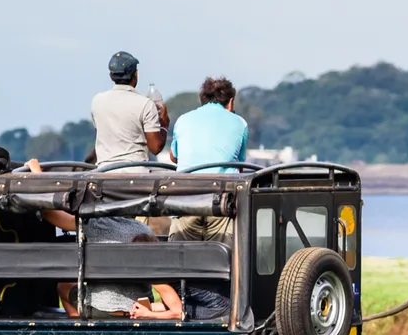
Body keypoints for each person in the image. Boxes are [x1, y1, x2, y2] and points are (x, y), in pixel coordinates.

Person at [23, 159, 182, 319]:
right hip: (139, 310)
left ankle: (77, 319)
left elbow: (50, 212)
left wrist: (37, 173)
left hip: (101, 311)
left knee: (64, 287)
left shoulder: (95, 223)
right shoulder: (144, 230)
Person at [166, 76, 249, 242]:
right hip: (221, 202)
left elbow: (174, 157)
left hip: (185, 200)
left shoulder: (183, 120)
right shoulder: (240, 123)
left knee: (180, 261)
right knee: (225, 261)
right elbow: (239, 165)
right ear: (231, 102)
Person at [90, 51, 170, 173]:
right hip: (136, 174)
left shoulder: (97, 101)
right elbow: (155, 148)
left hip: (104, 173)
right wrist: (164, 125)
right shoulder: (145, 104)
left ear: (111, 76)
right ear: (135, 74)